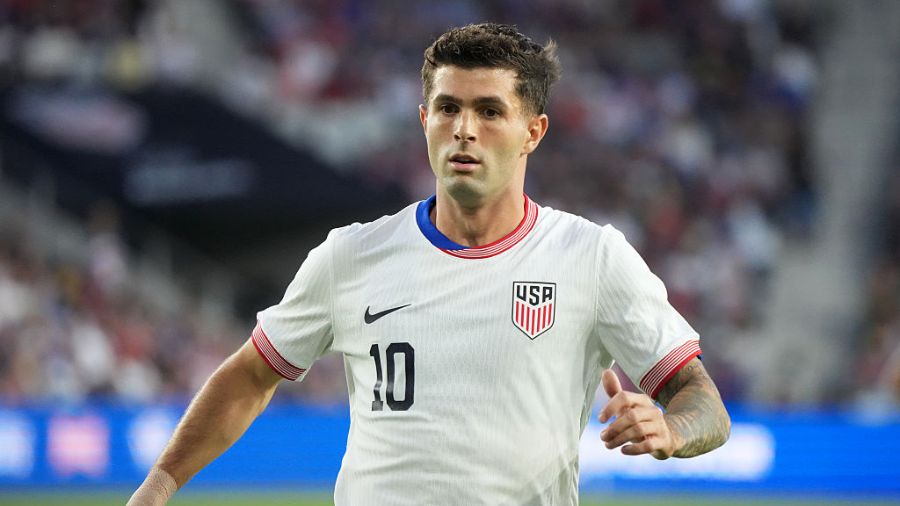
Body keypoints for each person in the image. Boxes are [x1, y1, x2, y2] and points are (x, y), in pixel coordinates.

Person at [128, 23, 730, 505]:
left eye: (490, 112)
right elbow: (250, 376)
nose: (464, 130)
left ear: (533, 132)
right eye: (448, 108)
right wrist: (157, 487)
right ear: (424, 120)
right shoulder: (351, 256)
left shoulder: (590, 258)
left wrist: (672, 430)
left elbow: (703, 401)